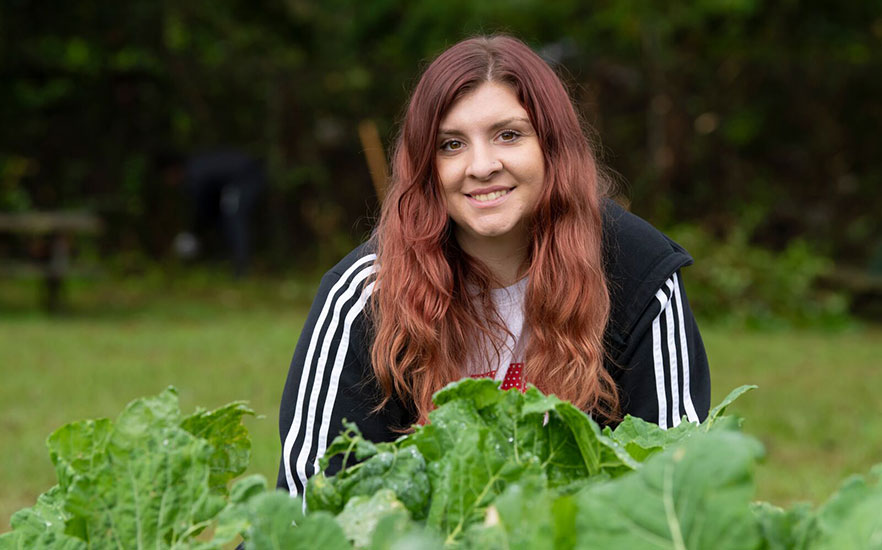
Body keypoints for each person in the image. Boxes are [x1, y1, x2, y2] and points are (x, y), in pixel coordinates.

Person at [276, 35, 711, 500]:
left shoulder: (639, 272)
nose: (481, 166)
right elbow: (312, 499)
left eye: (509, 134)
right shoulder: (366, 292)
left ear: (553, 147)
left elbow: (673, 481)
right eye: (451, 144)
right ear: (426, 167)